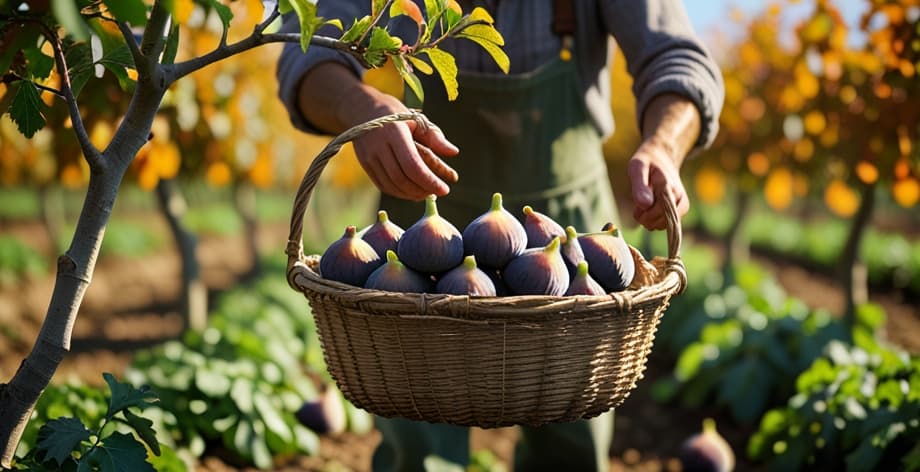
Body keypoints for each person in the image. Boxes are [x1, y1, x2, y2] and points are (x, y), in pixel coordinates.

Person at [277, 1, 723, 470]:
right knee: (418, 440)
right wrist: (358, 105)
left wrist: (664, 145)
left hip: (570, 244)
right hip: (423, 245)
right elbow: (302, 51)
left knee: (572, 442)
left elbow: (680, 59)